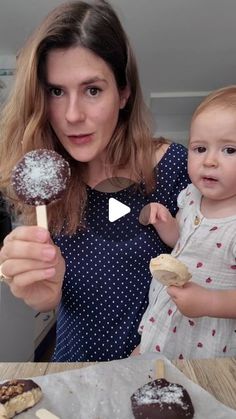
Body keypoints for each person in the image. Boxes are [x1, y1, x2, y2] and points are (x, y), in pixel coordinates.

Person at [0, 0, 189, 362]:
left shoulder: (178, 168)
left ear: (123, 93)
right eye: (56, 91)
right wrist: (42, 293)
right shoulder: (47, 184)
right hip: (73, 372)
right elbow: (52, 299)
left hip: (162, 374)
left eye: (92, 90)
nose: (72, 115)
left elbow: (211, 271)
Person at [133, 85, 236, 359]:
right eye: (200, 148)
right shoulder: (191, 196)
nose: (210, 161)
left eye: (230, 150)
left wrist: (210, 301)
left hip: (210, 335)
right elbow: (179, 240)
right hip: (167, 316)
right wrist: (161, 218)